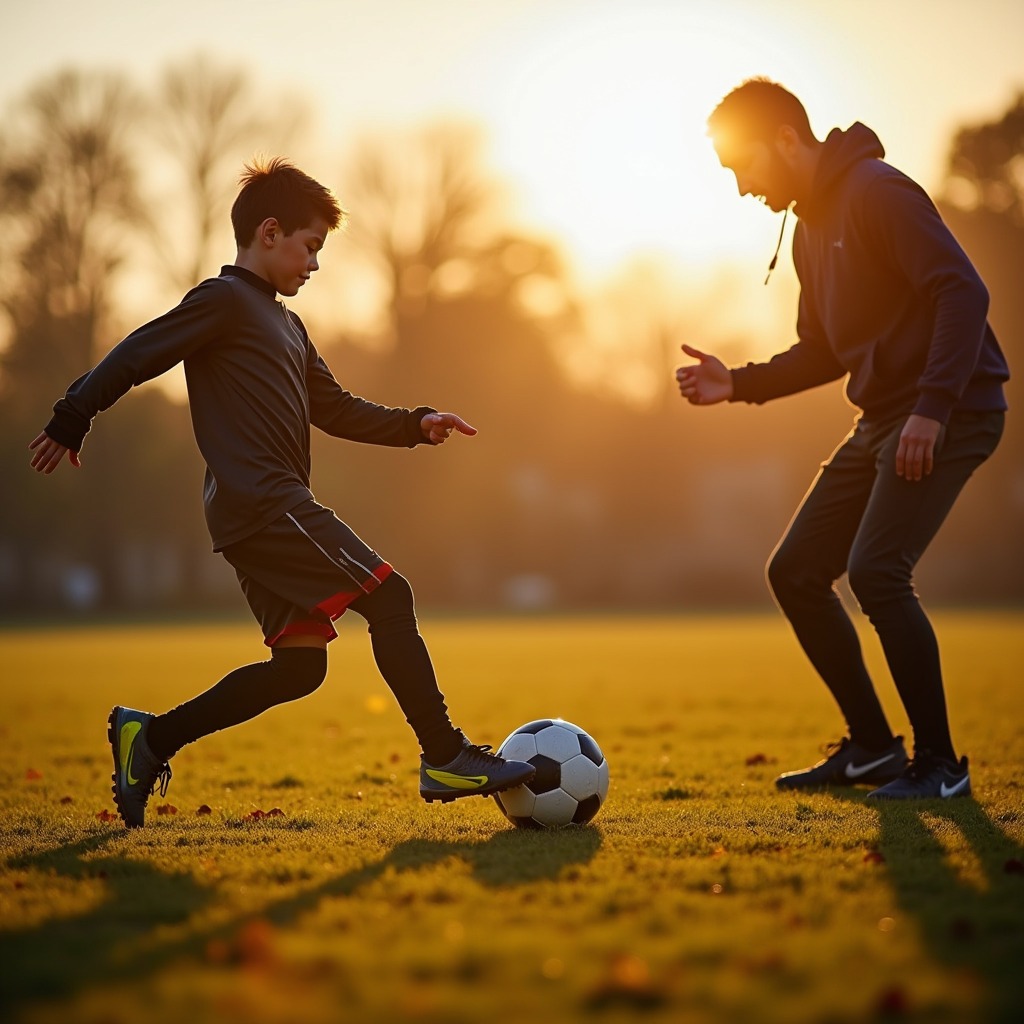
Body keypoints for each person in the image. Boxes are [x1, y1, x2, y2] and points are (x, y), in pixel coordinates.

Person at [29, 157, 535, 827]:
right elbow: (137, 352)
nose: (314, 265)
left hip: (258, 513)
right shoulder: (222, 301)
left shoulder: (288, 326)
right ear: (269, 233)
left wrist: (416, 425)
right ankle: (444, 754)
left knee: (299, 670)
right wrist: (73, 414)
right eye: (310, 247)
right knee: (392, 595)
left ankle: (148, 740)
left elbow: (337, 408)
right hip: (266, 505)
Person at [676, 79, 1009, 800]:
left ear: (787, 140)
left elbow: (963, 292)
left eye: (744, 165)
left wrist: (931, 408)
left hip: (951, 411)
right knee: (795, 571)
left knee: (877, 573)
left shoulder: (877, 193)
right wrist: (738, 382)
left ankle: (941, 765)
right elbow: (825, 351)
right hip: (885, 417)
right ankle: (872, 749)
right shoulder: (810, 227)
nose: (741, 188)